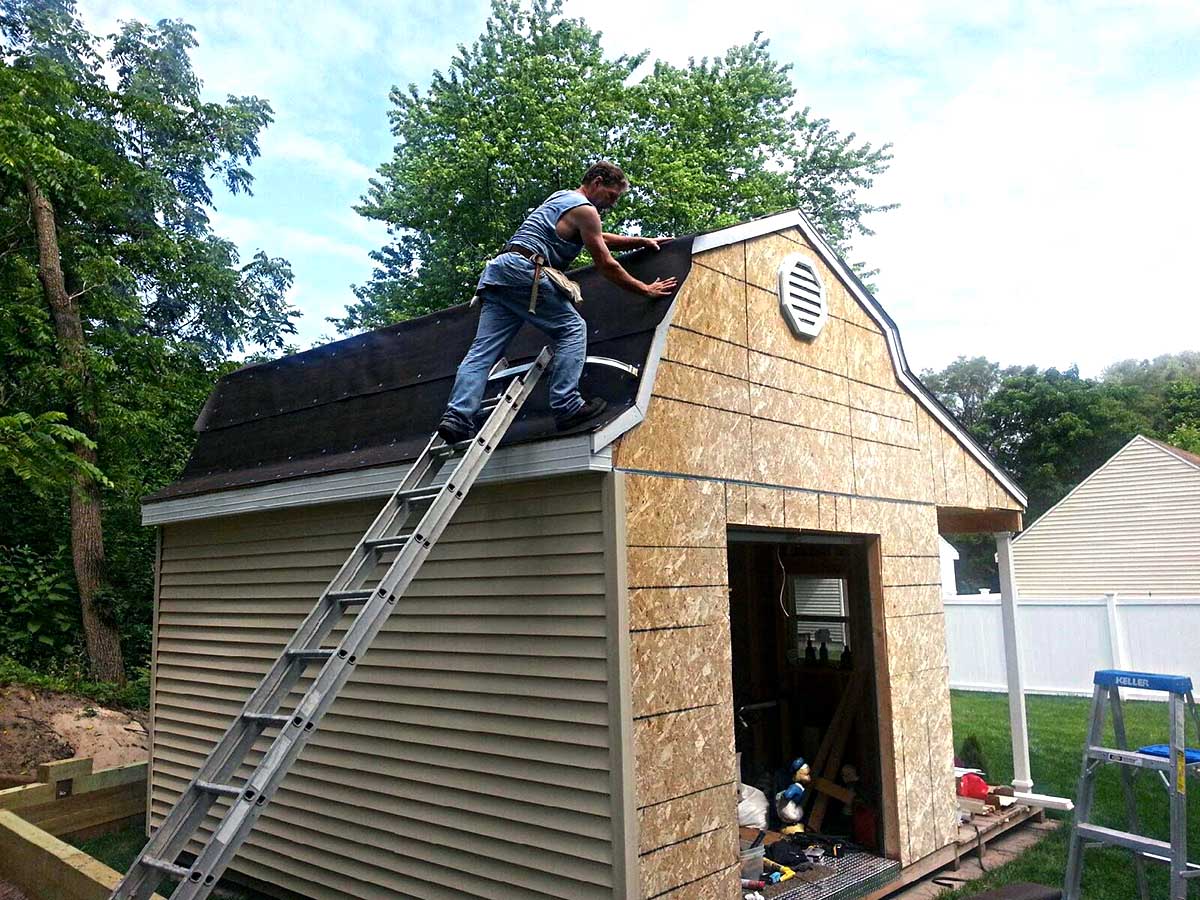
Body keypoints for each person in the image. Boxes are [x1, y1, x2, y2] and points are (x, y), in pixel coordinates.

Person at [437, 161, 677, 444]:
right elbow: (606, 264)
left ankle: (457, 416)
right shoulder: (586, 210)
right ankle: (567, 405)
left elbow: (597, 237)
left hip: (500, 274)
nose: (611, 204)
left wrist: (640, 241)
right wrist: (644, 289)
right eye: (611, 196)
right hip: (527, 272)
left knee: (482, 352)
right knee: (572, 329)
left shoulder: (562, 198)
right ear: (597, 182)